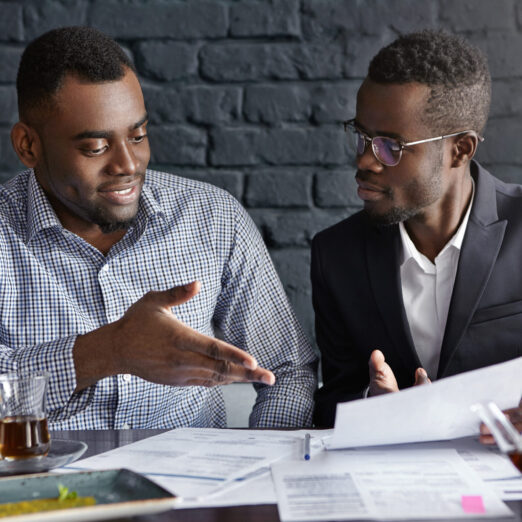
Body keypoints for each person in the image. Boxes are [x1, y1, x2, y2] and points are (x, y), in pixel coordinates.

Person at [1, 26, 317, 430]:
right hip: (48, 487)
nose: (128, 164)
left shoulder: (212, 218)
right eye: (95, 148)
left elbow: (288, 371)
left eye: (138, 136)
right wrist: (109, 350)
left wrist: (253, 464)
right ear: (28, 145)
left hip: (194, 487)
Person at [311, 30, 522, 427]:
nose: (365, 162)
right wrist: (372, 406)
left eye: (390, 146)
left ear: (460, 150)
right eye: (361, 137)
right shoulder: (336, 256)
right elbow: (332, 399)